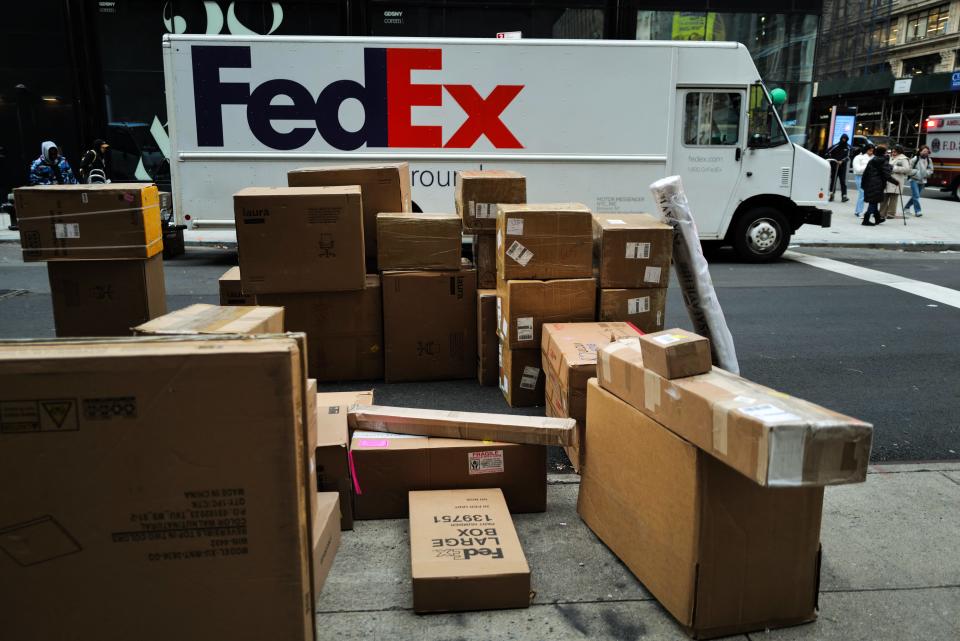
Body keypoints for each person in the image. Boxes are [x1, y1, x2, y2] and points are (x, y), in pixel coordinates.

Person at [860, 145, 899, 226]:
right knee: (873, 202)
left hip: (869, 183)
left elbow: (865, 173)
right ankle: (866, 220)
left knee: (874, 201)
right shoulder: (883, 161)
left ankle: (878, 218)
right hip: (877, 184)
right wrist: (896, 182)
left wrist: (863, 184)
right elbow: (887, 175)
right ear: (883, 153)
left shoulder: (872, 160)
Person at [882, 145, 911, 220]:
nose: (893, 153)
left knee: (893, 197)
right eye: (892, 151)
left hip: (897, 179)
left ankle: (891, 214)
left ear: (899, 151)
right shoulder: (890, 157)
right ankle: (882, 213)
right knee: (884, 196)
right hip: (888, 179)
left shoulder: (903, 158)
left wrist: (894, 168)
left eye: (895, 152)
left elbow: (907, 169)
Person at [904, 145, 932, 217]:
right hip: (914, 179)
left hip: (923, 180)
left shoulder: (929, 160)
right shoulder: (914, 159)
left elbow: (931, 169)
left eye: (927, 151)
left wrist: (926, 173)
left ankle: (906, 207)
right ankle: (918, 211)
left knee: (915, 196)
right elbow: (908, 169)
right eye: (924, 151)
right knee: (916, 195)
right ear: (920, 151)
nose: (926, 153)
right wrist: (916, 173)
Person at [825, 133, 851, 202]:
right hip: (835, 166)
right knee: (833, 181)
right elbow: (827, 153)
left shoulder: (848, 147)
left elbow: (848, 157)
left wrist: (842, 161)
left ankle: (844, 196)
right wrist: (833, 160)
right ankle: (831, 195)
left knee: (842, 181)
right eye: (843, 139)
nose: (844, 140)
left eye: (845, 139)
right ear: (841, 138)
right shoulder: (835, 146)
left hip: (842, 167)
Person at [851, 143, 874, 217]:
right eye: (869, 150)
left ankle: (859, 210)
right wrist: (868, 167)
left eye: (872, 151)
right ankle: (859, 211)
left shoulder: (873, 157)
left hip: (870, 177)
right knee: (862, 193)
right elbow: (857, 169)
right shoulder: (859, 157)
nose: (871, 152)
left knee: (864, 194)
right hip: (860, 177)